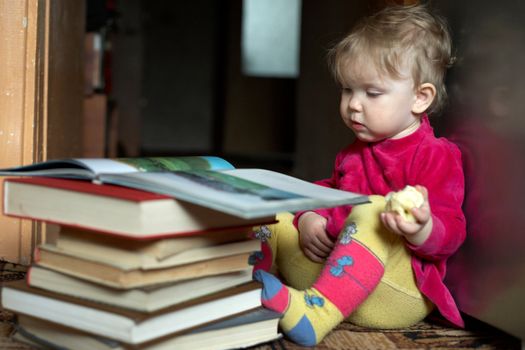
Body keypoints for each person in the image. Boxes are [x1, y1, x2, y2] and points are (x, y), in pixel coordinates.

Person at [251, 4, 466, 346]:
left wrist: (423, 228)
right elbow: (330, 192)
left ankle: (314, 316)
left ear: (420, 98)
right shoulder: (354, 152)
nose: (353, 104)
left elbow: (452, 231)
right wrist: (308, 216)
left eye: (372, 93)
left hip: (394, 293)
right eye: (347, 89)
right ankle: (248, 285)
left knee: (372, 210)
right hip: (333, 276)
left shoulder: (435, 154)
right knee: (272, 214)